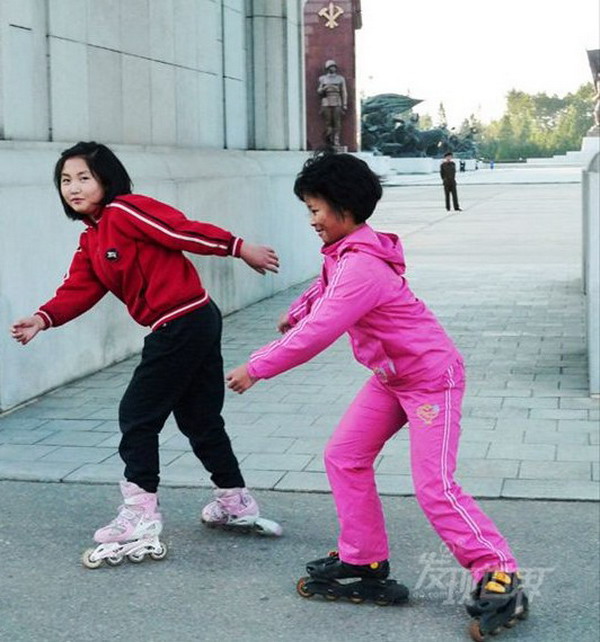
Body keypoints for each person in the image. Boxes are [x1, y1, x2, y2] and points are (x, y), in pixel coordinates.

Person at [226, 153, 529, 636]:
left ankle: (498, 571)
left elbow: (321, 330)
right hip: (392, 379)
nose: (312, 220)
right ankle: (364, 558)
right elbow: (325, 290)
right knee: (344, 456)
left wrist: (257, 366)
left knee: (434, 486)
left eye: (316, 209)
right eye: (308, 209)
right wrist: (297, 310)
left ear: (344, 208)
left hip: (431, 378)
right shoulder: (346, 252)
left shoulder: (362, 266)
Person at [10, 141, 282, 567]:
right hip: (191, 320)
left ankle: (140, 512)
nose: (74, 188)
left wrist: (236, 246)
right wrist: (43, 318)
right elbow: (80, 288)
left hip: (183, 320)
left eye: (83, 178)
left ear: (106, 180)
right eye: (65, 180)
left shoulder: (125, 211)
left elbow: (180, 230)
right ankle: (234, 501)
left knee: (137, 415)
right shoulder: (92, 238)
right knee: (199, 418)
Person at [318, 60, 348, 147]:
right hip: (326, 101)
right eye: (331, 67)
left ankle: (336, 140)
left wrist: (344, 104)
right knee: (328, 122)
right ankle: (329, 140)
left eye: (334, 66)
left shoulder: (340, 79)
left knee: (337, 122)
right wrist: (325, 88)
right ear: (327, 68)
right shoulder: (322, 78)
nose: (333, 68)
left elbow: (344, 92)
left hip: (337, 101)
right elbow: (319, 91)